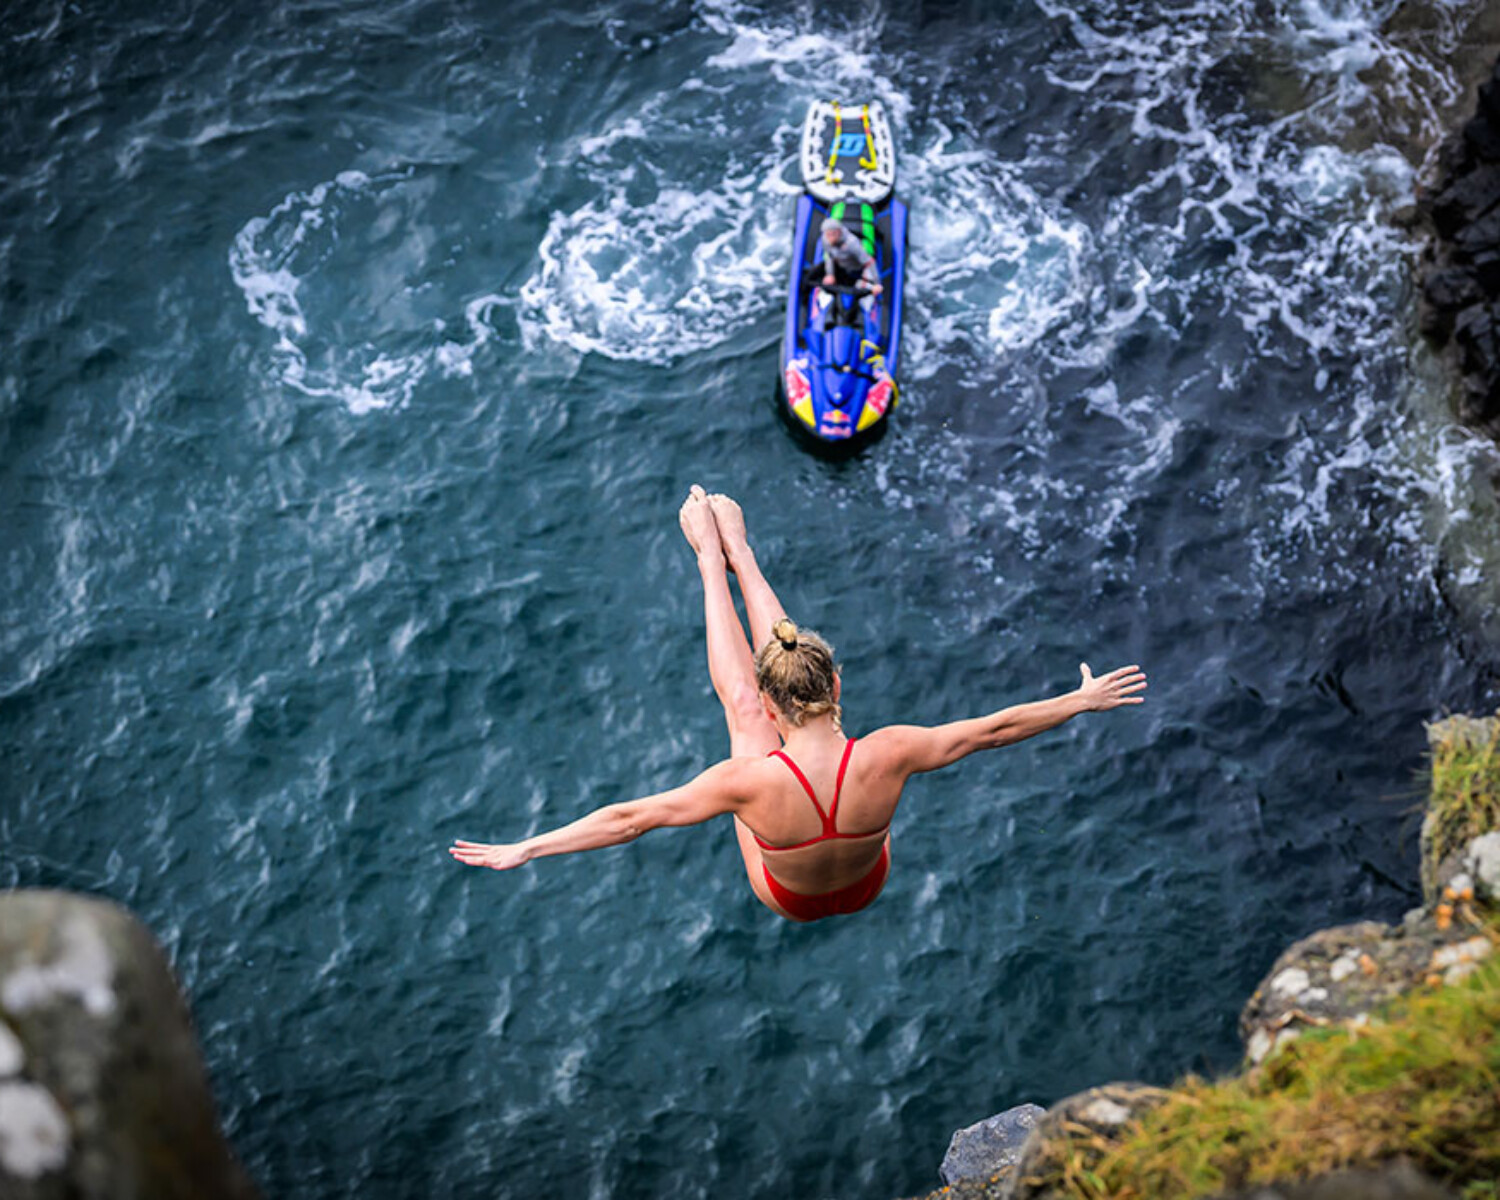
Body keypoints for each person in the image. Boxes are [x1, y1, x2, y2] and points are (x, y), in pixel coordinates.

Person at [449, 488, 1147, 922]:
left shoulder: (748, 780)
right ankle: (741, 556)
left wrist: (528, 847)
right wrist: (1078, 701)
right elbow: (994, 731)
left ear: (777, 703)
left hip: (786, 894)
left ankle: (709, 560)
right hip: (867, 880)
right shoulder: (889, 752)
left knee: (741, 727)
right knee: (770, 733)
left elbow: (634, 819)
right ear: (836, 686)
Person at [817, 219, 882, 297]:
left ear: (839, 231)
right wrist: (830, 274)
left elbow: (869, 262)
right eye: (828, 235)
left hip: (855, 271)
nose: (830, 238)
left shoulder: (852, 243)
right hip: (839, 267)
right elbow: (829, 256)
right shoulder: (825, 239)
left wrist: (877, 283)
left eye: (833, 234)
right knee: (811, 278)